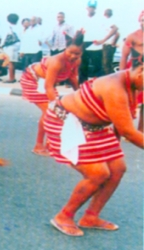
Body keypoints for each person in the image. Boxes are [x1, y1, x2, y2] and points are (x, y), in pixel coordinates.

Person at [44, 55, 144, 237]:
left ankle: (90, 217)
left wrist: (111, 151)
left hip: (96, 127)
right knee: (98, 174)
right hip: (66, 122)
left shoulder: (134, 82)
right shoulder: (114, 86)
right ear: (141, 70)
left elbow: (121, 124)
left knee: (118, 168)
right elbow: (129, 131)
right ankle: (63, 217)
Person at [20, 31, 83, 156]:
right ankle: (38, 145)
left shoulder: (76, 61)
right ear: (65, 49)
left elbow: (73, 79)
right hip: (34, 80)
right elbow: (48, 86)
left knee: (54, 112)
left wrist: (81, 95)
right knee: (50, 111)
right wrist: (54, 104)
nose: (73, 56)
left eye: (77, 54)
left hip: (47, 83)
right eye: (70, 52)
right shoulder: (56, 61)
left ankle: (50, 145)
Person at [78, 0, 118, 83]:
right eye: (90, 7)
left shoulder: (101, 18)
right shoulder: (82, 18)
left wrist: (103, 40)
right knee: (82, 68)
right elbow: (79, 33)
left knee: (99, 69)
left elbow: (115, 28)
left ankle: (101, 87)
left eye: (93, 8)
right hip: (85, 46)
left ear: (95, 8)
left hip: (96, 47)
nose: (91, 9)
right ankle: (82, 87)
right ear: (87, 8)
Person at [120, 11, 143, 133]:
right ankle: (126, 128)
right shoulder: (132, 36)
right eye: (143, 19)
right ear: (139, 21)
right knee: (130, 99)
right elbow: (124, 56)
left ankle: (141, 129)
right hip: (135, 69)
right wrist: (121, 74)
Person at [1, 13, 21, 83]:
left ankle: (11, 78)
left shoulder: (8, 27)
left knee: (10, 63)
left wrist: (1, 45)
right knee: (13, 63)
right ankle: (13, 77)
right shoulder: (19, 27)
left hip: (10, 46)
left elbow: (4, 37)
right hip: (17, 46)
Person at [101, 9, 120, 75]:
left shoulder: (109, 21)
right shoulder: (108, 21)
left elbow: (116, 30)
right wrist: (113, 43)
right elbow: (117, 34)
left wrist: (112, 42)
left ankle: (110, 79)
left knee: (106, 64)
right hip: (107, 45)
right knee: (106, 64)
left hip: (107, 45)